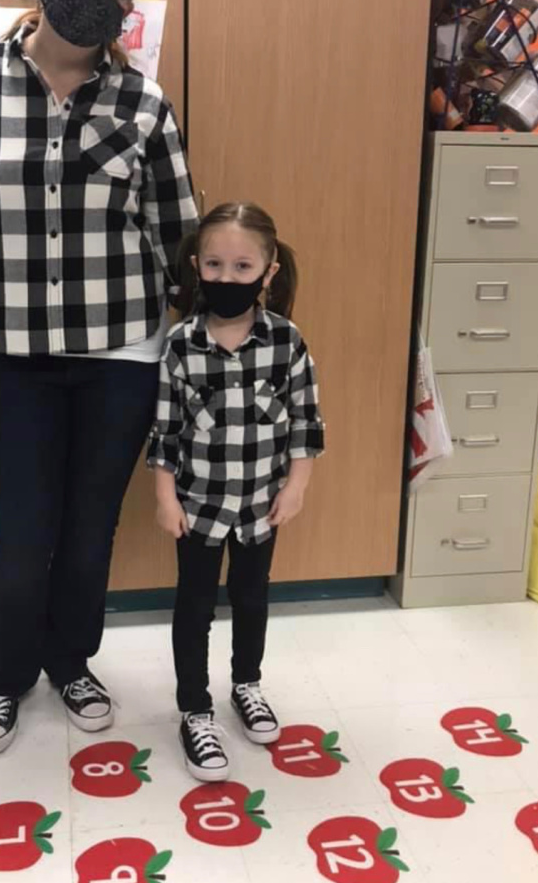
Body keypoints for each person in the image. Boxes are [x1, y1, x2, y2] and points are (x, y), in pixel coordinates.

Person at [0, 0, 197, 755]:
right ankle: (5, 677)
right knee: (21, 533)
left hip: (124, 357)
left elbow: (178, 237)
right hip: (13, 356)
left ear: (128, 3)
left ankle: (72, 661)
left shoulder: (144, 102)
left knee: (87, 530)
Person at [148, 203, 325, 781]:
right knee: (194, 606)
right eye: (215, 265)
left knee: (252, 599)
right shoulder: (180, 346)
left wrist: (297, 487)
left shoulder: (287, 342)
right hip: (198, 507)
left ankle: (246, 684)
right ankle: (194, 709)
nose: (227, 277)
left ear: (268, 272)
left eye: (243, 266)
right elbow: (165, 432)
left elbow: (306, 423)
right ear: (197, 267)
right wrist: (165, 497)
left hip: (261, 508)